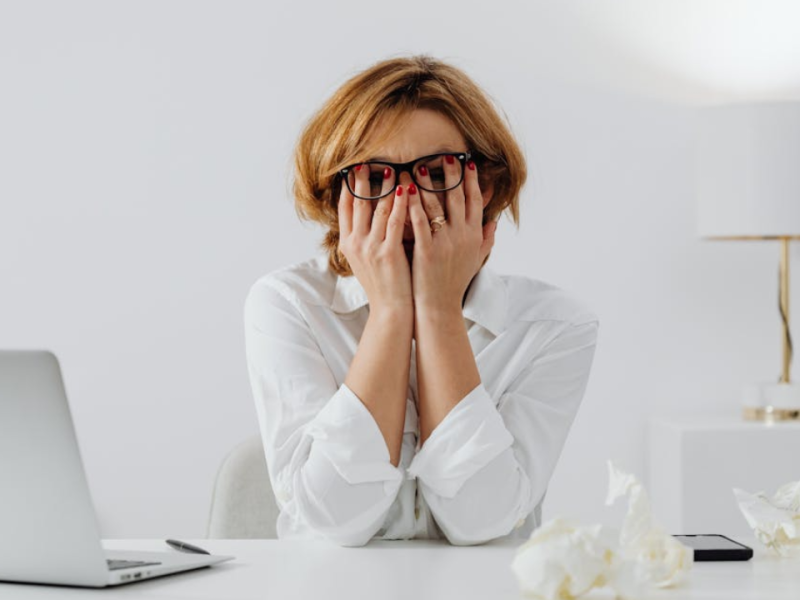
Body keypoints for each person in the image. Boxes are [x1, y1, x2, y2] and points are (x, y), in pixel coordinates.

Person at [244, 55, 599, 547]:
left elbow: (480, 520)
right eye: (375, 177)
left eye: (437, 172)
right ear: (335, 193)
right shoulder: (288, 304)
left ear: (486, 186)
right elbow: (335, 519)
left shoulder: (554, 326)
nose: (407, 204)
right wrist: (391, 313)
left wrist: (437, 310)